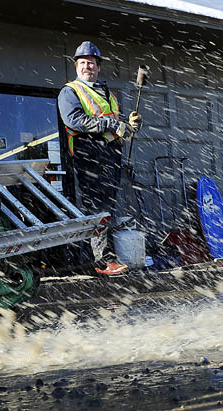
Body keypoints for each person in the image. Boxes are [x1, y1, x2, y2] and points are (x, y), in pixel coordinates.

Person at [58, 41, 142, 275]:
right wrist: (114, 124)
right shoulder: (70, 91)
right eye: (83, 63)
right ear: (76, 67)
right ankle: (101, 260)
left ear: (98, 66)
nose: (88, 67)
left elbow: (117, 126)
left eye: (92, 63)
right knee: (96, 209)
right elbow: (74, 120)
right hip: (89, 155)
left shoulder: (108, 94)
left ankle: (106, 257)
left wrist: (130, 125)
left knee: (107, 209)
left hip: (110, 157)